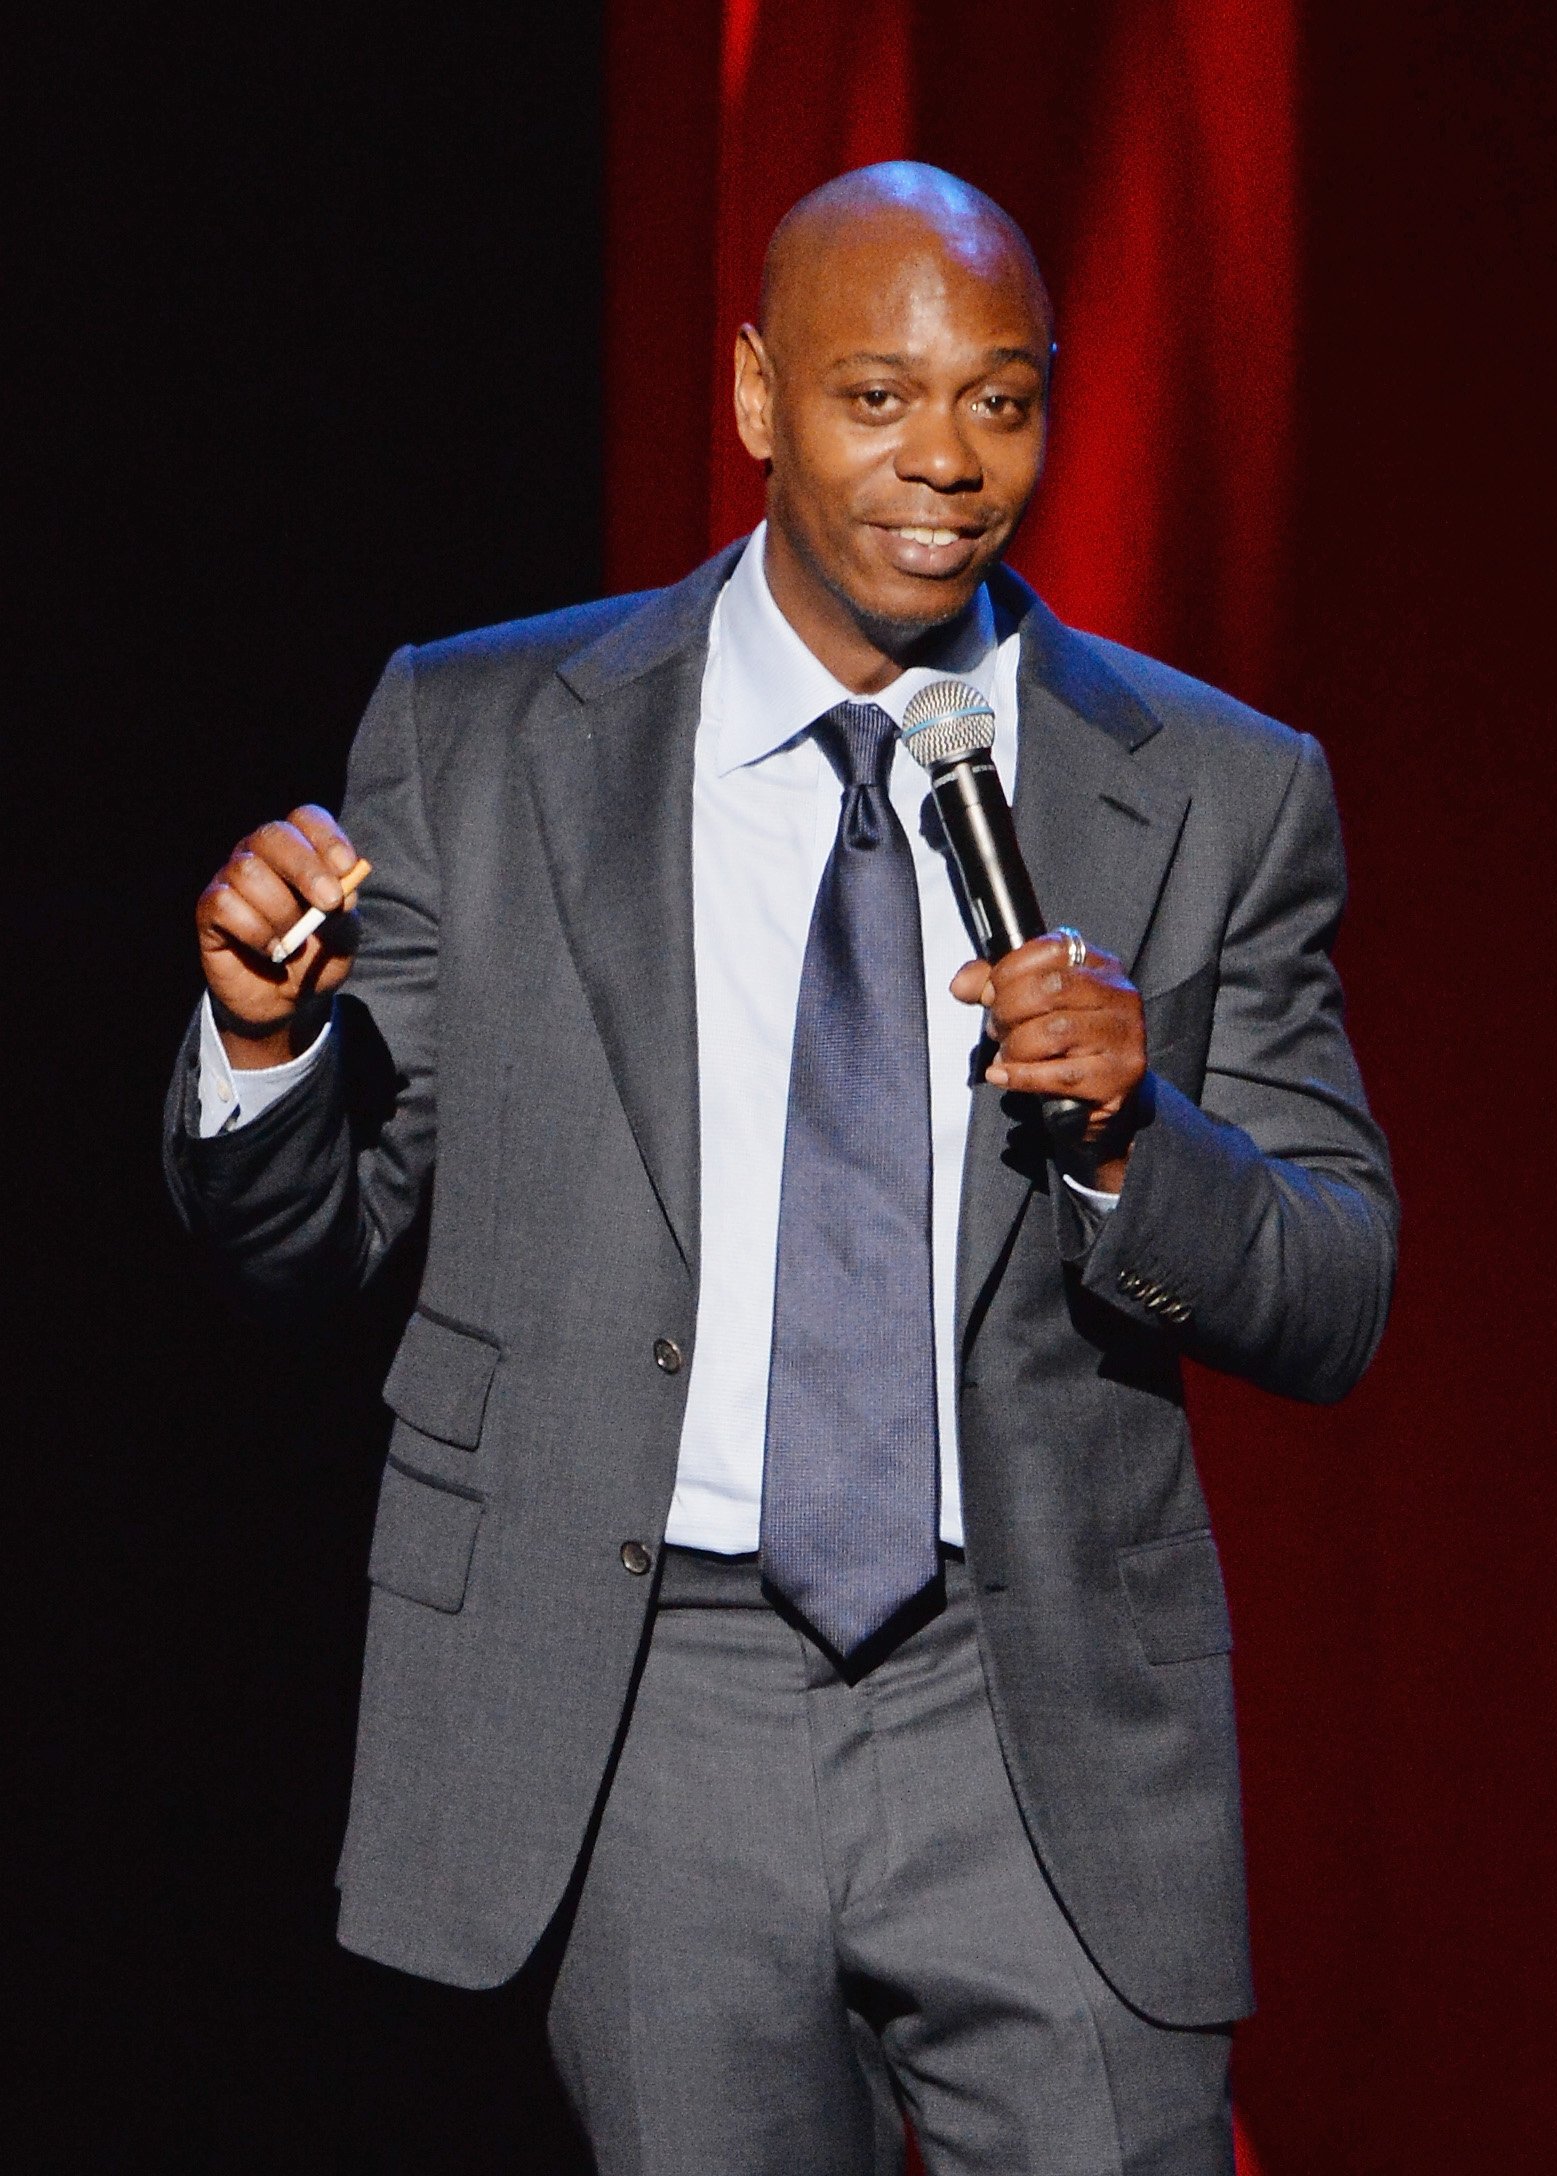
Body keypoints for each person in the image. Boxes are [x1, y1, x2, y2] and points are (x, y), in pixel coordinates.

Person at [166, 163, 1397, 2174]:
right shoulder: (484, 734)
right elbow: (307, 1235)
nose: (947, 462)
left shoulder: (1216, 787)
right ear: (753, 396)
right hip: (653, 1692)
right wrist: (266, 1039)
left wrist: (1131, 1141)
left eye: (1002, 400)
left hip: (1042, 1697)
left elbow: (1337, 1285)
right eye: (877, 396)